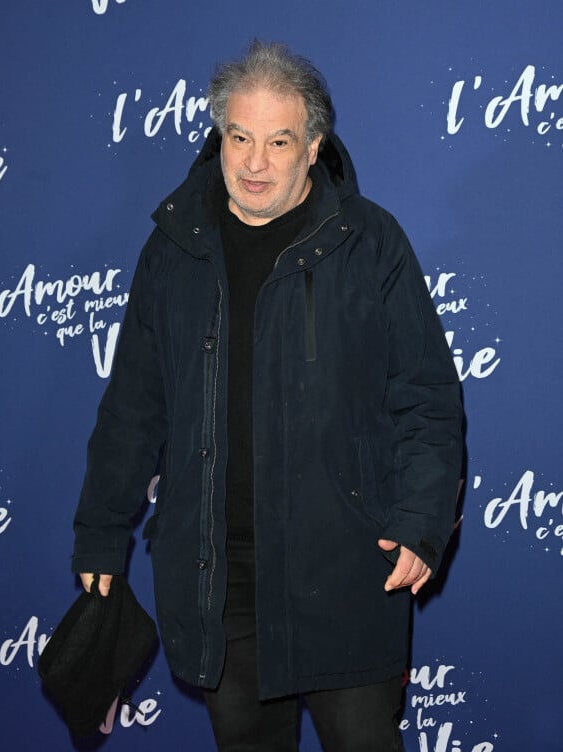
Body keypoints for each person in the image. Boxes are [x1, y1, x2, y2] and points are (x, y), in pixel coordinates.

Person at [72, 40, 463, 751]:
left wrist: (422, 519)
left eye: (278, 141)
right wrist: (100, 529)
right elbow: (133, 405)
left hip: (349, 574)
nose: (255, 163)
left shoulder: (369, 243)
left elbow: (428, 398)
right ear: (220, 137)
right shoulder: (173, 248)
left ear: (313, 147)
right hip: (221, 582)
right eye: (239, 137)